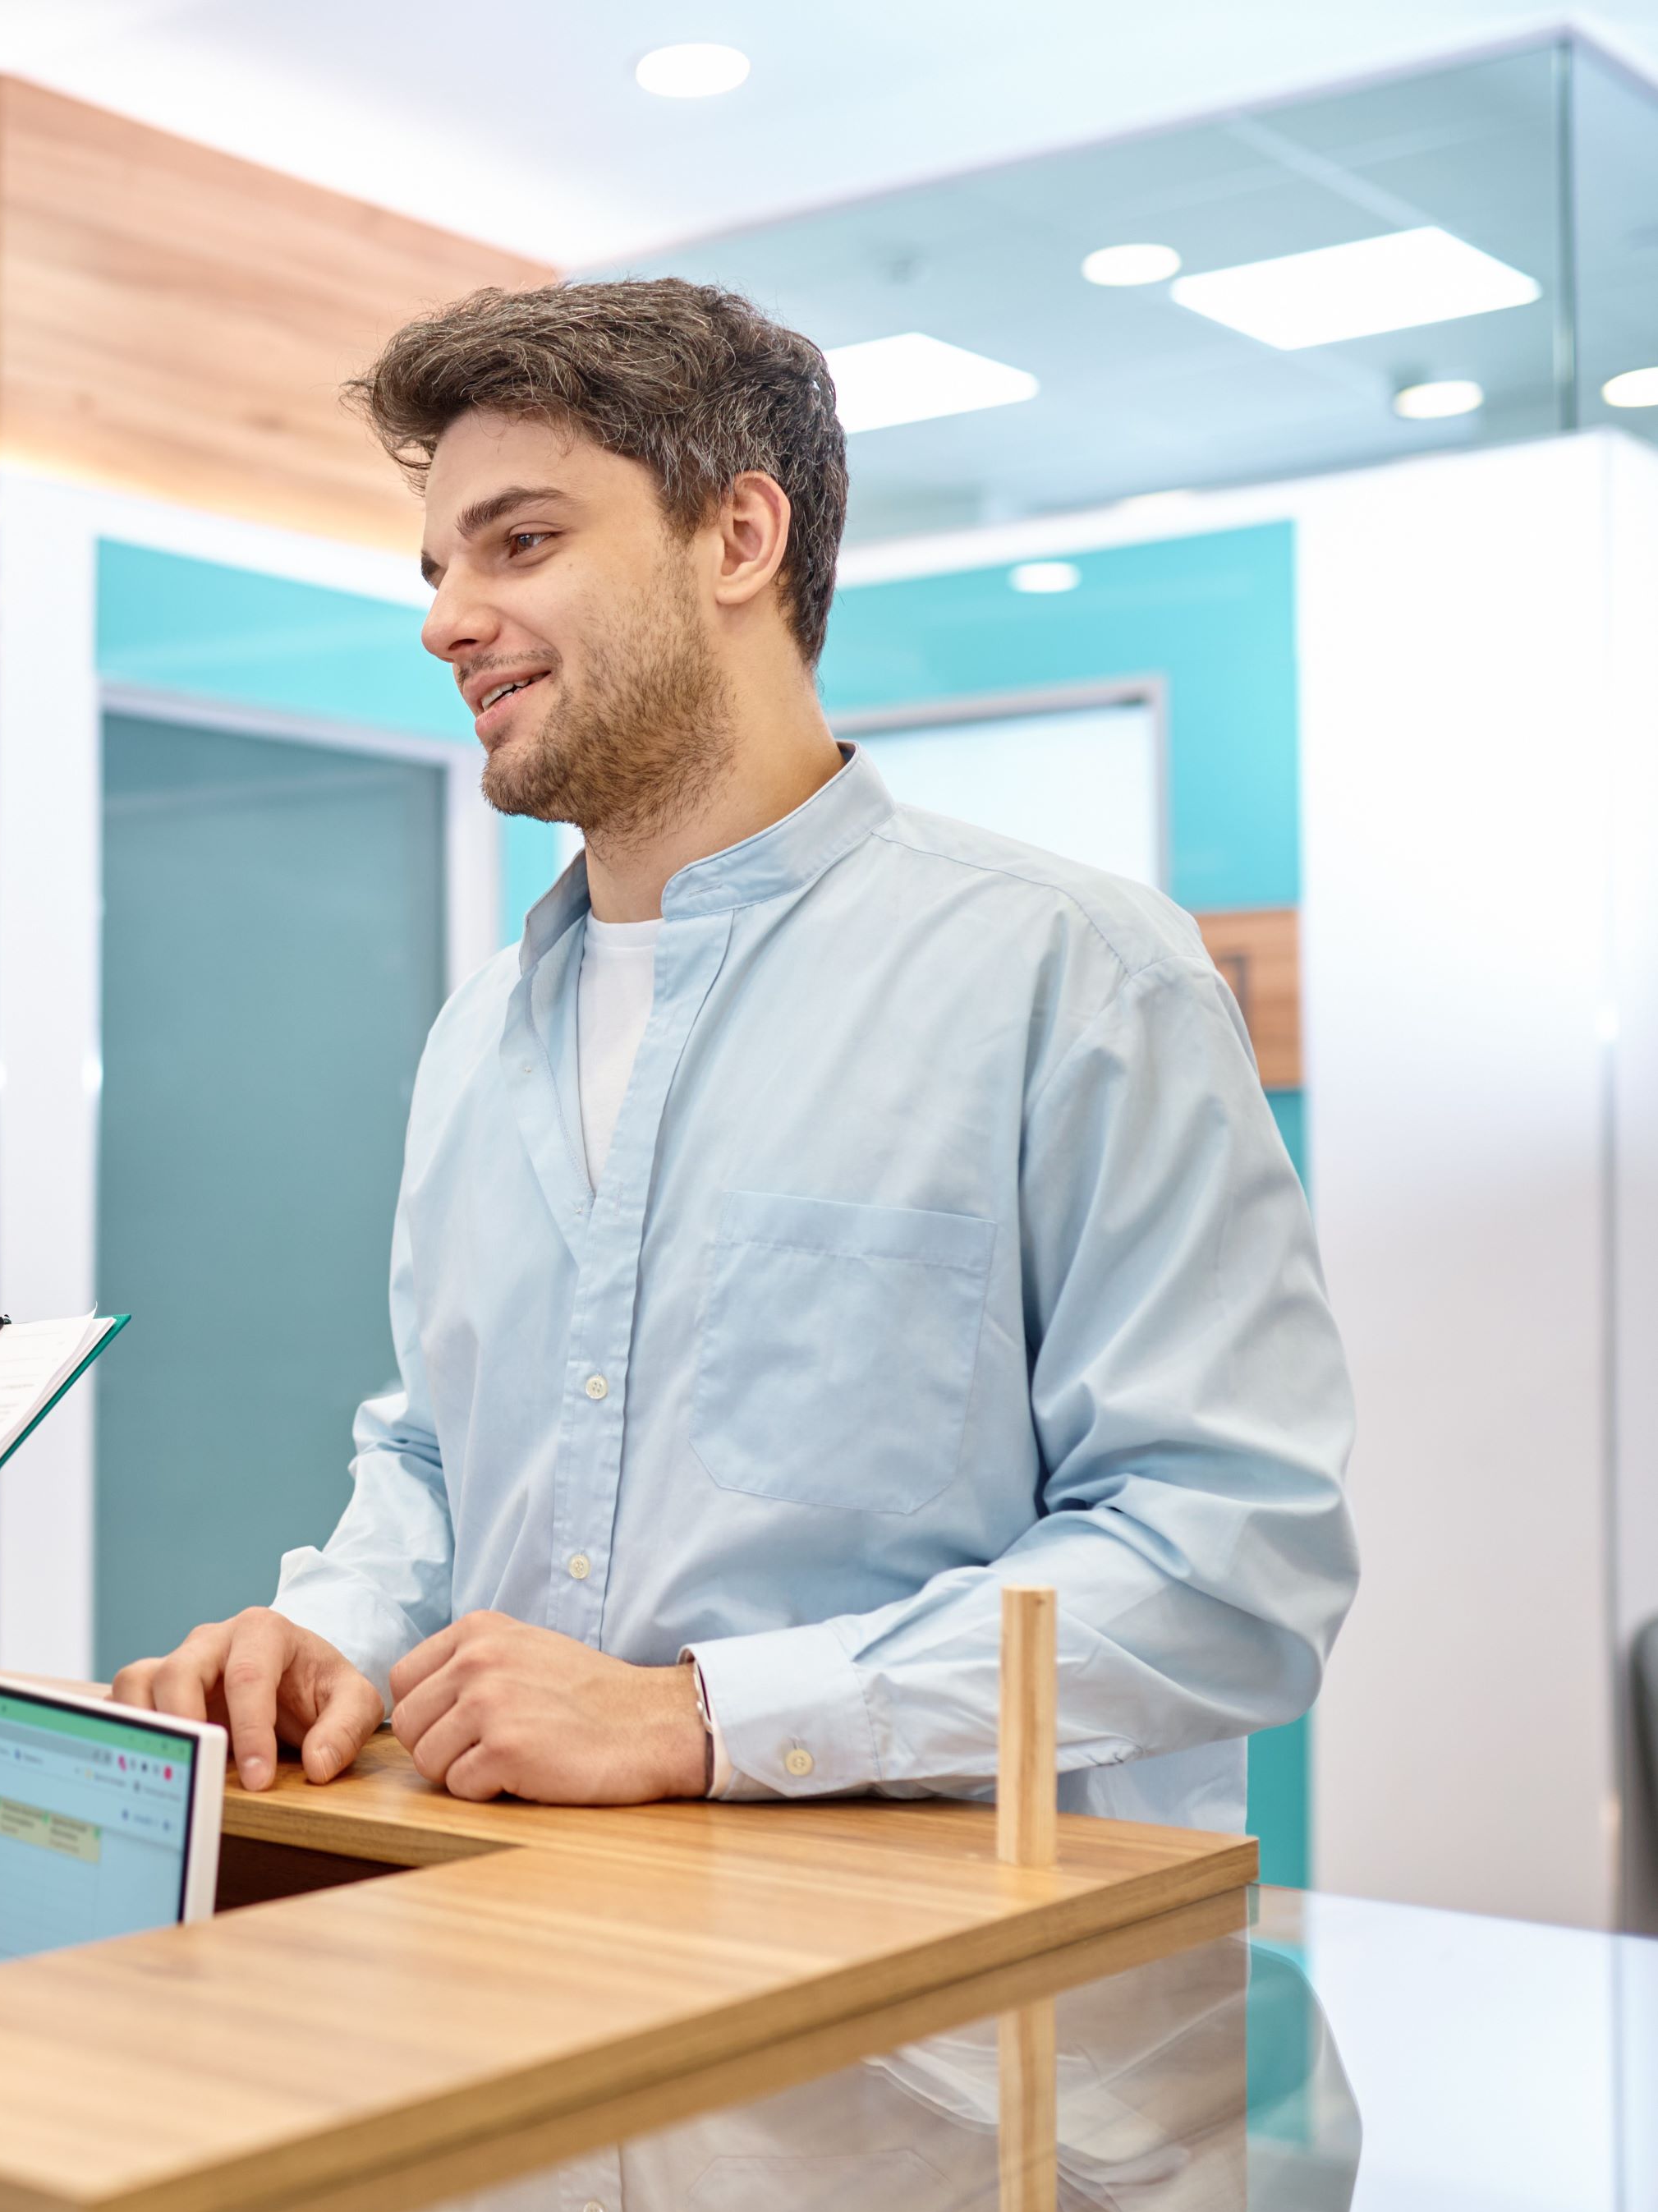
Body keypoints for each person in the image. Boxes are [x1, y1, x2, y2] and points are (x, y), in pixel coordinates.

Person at [111, 281, 1355, 1831]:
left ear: (739, 540)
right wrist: (335, 1633)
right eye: (439, 569)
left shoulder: (1078, 979)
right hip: (538, 1962)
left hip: (956, 2039)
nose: (443, 621)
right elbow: (435, 1455)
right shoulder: (476, 1036)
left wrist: (704, 1717)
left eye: (524, 541)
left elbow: (1232, 1564)